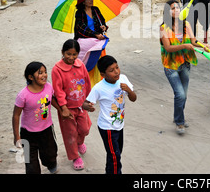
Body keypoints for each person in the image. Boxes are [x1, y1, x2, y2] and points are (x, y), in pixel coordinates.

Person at [160, 0, 208, 134]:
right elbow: (168, 48)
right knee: (180, 94)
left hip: (185, 64)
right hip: (171, 66)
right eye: (172, 8)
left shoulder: (186, 24)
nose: (176, 10)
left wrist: (204, 45)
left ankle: (177, 118)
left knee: (184, 96)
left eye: (178, 8)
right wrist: (184, 46)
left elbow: (193, 41)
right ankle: (180, 122)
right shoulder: (163, 28)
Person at [83, 55, 136, 174]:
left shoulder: (123, 79)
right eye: (111, 70)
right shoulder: (99, 88)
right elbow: (85, 103)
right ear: (103, 74)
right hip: (107, 127)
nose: (116, 72)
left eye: (117, 67)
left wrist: (128, 90)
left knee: (115, 154)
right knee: (115, 156)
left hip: (119, 125)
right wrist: (88, 107)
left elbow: (134, 98)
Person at [51, 39, 92, 171]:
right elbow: (58, 90)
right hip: (67, 109)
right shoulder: (57, 69)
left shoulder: (81, 65)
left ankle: (79, 142)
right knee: (70, 134)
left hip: (81, 105)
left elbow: (86, 83)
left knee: (84, 129)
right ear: (62, 52)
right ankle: (75, 156)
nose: (71, 57)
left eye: (74, 54)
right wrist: (63, 107)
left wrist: (89, 99)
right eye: (68, 54)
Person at [12, 62, 58, 174]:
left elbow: (51, 100)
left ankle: (51, 165)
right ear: (30, 77)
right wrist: (17, 136)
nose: (44, 75)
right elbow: (16, 115)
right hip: (28, 134)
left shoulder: (48, 87)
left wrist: (62, 110)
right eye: (40, 73)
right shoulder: (23, 95)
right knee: (31, 164)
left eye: (45, 72)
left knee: (50, 154)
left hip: (46, 130)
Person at [74, 0, 109, 86]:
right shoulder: (79, 13)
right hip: (86, 41)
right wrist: (95, 34)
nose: (91, 0)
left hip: (97, 40)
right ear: (83, 1)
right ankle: (88, 83)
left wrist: (104, 27)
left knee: (100, 63)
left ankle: (100, 82)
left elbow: (102, 21)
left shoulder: (95, 10)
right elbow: (81, 28)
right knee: (88, 62)